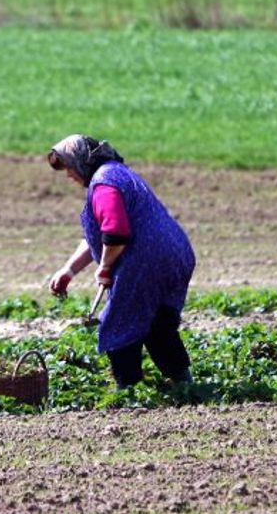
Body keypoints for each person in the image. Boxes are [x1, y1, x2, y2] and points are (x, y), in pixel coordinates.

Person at [47, 134, 196, 390]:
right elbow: (102, 234)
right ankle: (184, 383)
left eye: (69, 167)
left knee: (118, 323)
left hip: (146, 261)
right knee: (157, 323)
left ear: (82, 161)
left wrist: (105, 267)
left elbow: (116, 233)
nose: (69, 175)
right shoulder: (118, 174)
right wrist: (69, 270)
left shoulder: (104, 183)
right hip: (176, 254)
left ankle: (127, 390)